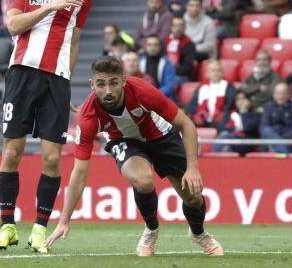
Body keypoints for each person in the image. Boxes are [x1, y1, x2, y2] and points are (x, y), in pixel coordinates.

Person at [44, 56, 223, 256]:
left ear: (124, 80)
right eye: (101, 84)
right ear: (92, 85)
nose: (108, 90)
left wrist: (192, 167)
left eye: (113, 82)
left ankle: (198, 233)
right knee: (143, 181)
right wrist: (64, 220)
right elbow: (79, 171)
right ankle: (151, 230)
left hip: (162, 136)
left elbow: (186, 124)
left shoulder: (142, 92)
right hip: (125, 142)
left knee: (194, 198)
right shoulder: (87, 117)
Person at [0, 0, 93, 253]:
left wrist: (67, 79)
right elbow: (14, 26)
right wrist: (52, 6)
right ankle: (7, 226)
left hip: (56, 81)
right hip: (21, 74)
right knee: (11, 152)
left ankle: (39, 229)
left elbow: (74, 41)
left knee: (51, 158)